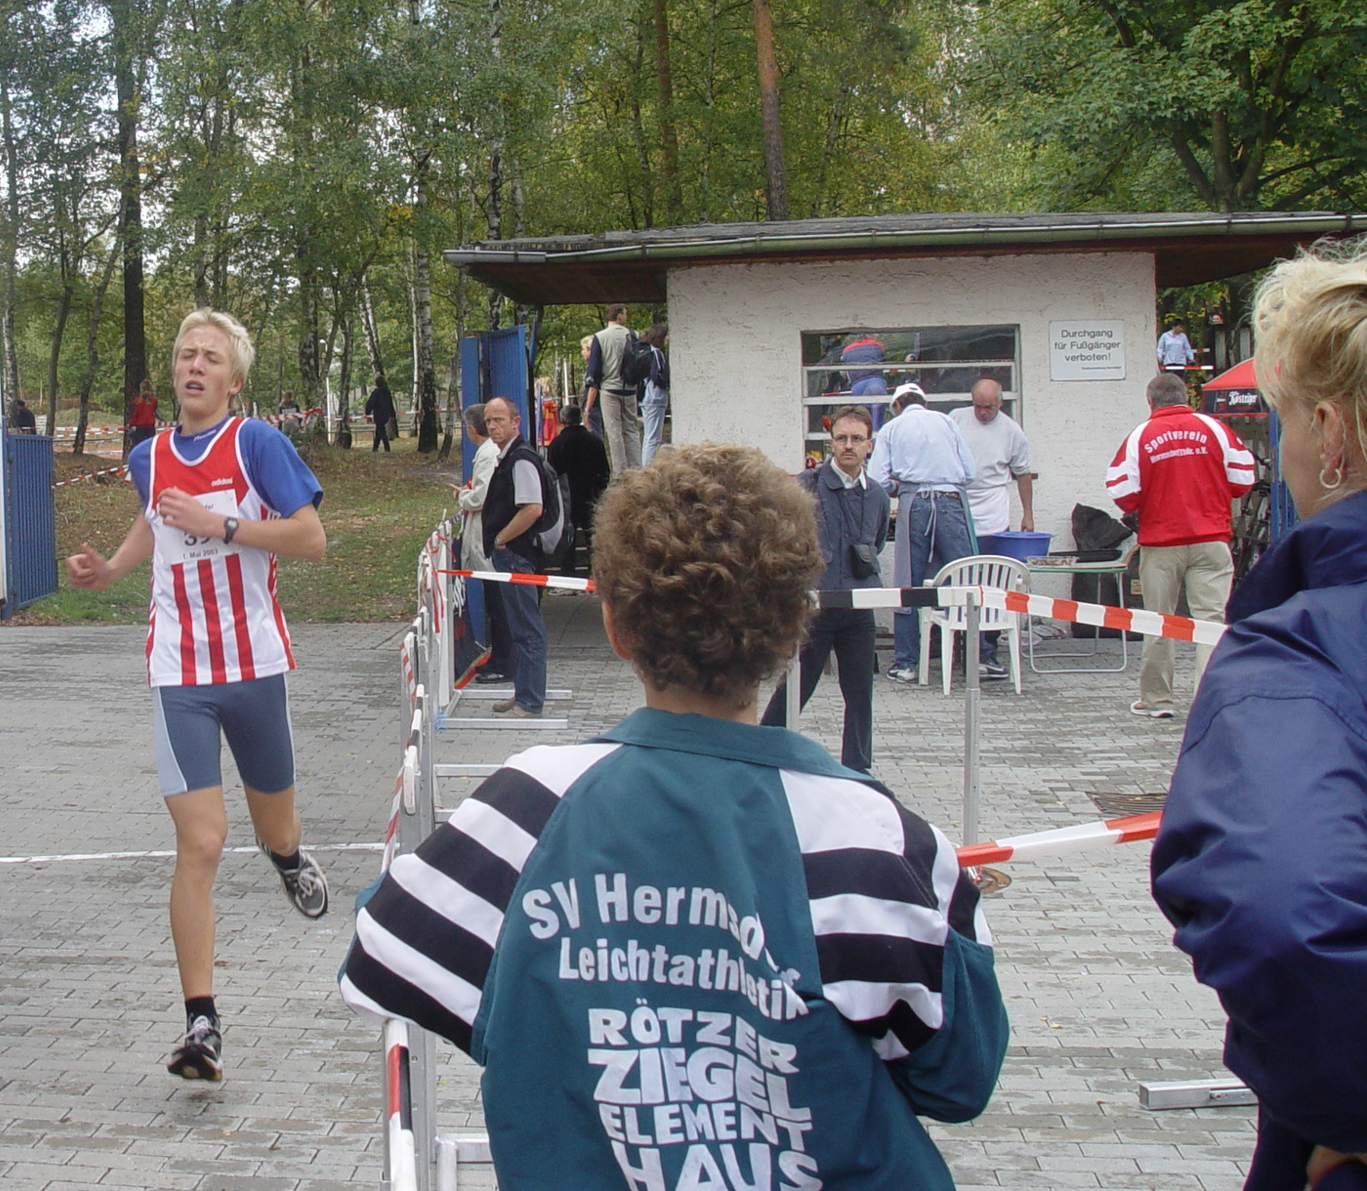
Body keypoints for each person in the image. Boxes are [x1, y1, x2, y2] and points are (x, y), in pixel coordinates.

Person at [340, 444, 1008, 1191]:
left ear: (615, 627)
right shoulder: (876, 838)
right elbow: (961, 1078)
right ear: (798, 625)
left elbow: (383, 954)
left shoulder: (529, 808)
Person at [65, 309, 330, 1084]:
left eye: (210, 357)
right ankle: (200, 1023)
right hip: (179, 671)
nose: (194, 366)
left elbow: (311, 538)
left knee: (273, 825)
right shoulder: (146, 456)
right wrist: (111, 570)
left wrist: (223, 525)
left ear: (233, 379)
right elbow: (157, 522)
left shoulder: (257, 445)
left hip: (254, 667)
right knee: (203, 841)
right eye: (186, 355)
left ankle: (287, 856)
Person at [1151, 239, 1367, 1191]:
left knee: (1173, 636)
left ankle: (1154, 693)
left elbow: (1282, 916)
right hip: (1209, 545)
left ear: (1330, 431)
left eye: (1284, 422)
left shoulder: (1298, 655)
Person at [1106, 371, 1255, 718]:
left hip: (1162, 544)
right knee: (1211, 621)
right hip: (1211, 540)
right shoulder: (1215, 429)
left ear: (1151, 401)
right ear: (1186, 396)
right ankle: (1209, 700)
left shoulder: (1140, 436)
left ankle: (1157, 700)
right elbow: (1243, 479)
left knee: (1159, 621)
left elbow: (1122, 492)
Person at [762, 406, 889, 770]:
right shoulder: (807, 485)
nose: (849, 445)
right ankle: (763, 753)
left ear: (869, 445)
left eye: (857, 439)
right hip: (816, 608)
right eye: (842, 438)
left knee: (861, 694)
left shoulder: (878, 495)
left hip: (859, 608)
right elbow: (783, 536)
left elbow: (877, 541)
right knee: (794, 689)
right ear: (831, 442)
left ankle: (857, 768)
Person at [867, 383, 981, 684]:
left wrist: (898, 486)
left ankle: (906, 664)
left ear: (897, 406)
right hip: (951, 500)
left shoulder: (892, 428)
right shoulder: (946, 421)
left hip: (915, 502)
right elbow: (970, 472)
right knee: (966, 578)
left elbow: (877, 480)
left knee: (908, 582)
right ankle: (979, 659)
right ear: (924, 402)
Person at [952, 377, 1034, 674]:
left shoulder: (1011, 430)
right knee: (958, 579)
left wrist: (1028, 513)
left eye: (988, 407)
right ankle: (957, 647)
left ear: (1000, 403)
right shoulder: (956, 419)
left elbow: (1023, 473)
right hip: (959, 503)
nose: (982, 412)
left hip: (993, 508)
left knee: (990, 582)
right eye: (978, 406)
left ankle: (987, 651)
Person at [480, 396, 550, 718]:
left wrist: (501, 539)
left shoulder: (521, 459)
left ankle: (530, 701)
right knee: (519, 629)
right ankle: (523, 692)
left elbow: (532, 508)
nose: (492, 426)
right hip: (512, 555)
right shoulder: (510, 457)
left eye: (499, 420)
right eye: (488, 421)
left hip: (517, 556)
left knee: (527, 630)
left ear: (515, 422)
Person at [456, 404, 512, 687]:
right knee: (494, 603)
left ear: (470, 428)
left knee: (500, 606)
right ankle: (499, 657)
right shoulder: (490, 452)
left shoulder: (488, 454)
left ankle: (505, 662)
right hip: (486, 535)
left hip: (489, 537)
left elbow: (481, 497)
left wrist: (463, 497)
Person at [545, 402, 610, 564]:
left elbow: (552, 475)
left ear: (562, 420)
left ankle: (567, 571)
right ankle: (596, 568)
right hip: (591, 496)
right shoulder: (595, 441)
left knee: (568, 540)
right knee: (593, 538)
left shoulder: (556, 444)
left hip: (567, 499)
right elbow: (604, 471)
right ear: (580, 418)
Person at [584, 303, 643, 473]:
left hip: (609, 390)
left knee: (614, 431)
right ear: (619, 315)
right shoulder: (633, 334)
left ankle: (619, 471)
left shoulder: (600, 337)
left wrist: (588, 404)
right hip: (630, 389)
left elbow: (594, 370)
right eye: (625, 314)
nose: (626, 317)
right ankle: (636, 468)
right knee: (631, 429)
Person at [639, 322, 670, 464]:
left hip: (646, 397)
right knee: (653, 438)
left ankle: (647, 464)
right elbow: (657, 376)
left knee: (649, 436)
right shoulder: (656, 354)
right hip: (655, 398)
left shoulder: (647, 352)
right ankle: (648, 466)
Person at [365, 372, 397, 452]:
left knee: (381, 431)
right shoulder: (387, 392)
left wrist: (367, 412)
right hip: (386, 414)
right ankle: (375, 448)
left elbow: (370, 403)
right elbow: (390, 403)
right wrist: (392, 414)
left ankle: (387, 447)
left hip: (378, 414)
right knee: (378, 431)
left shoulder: (376, 392)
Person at [128, 381, 159, 452]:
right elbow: (153, 410)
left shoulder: (137, 401)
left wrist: (131, 424)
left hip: (140, 427)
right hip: (150, 426)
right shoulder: (153, 400)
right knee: (150, 447)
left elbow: (134, 414)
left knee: (139, 447)